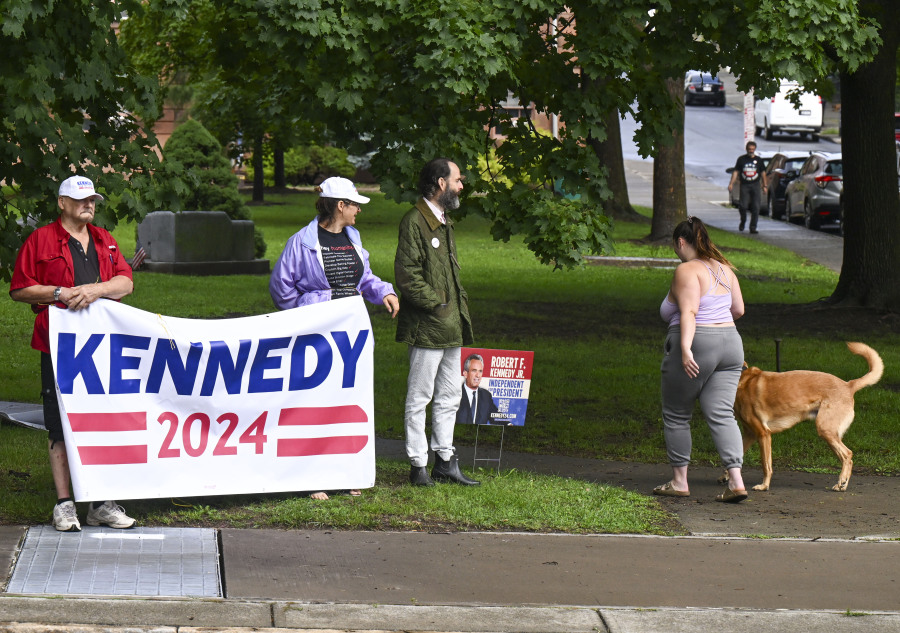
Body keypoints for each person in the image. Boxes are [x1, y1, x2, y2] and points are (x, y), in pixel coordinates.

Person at [9, 175, 137, 531]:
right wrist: (58, 293)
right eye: (80, 199)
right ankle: (65, 504)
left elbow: (126, 281)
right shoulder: (41, 240)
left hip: (102, 344)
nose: (89, 205)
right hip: (60, 345)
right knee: (59, 421)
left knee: (102, 420)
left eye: (92, 199)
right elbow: (19, 290)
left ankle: (99, 503)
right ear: (62, 203)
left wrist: (97, 290)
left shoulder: (105, 240)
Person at [270, 176, 399, 500]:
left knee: (350, 401)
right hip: (318, 335)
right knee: (316, 403)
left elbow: (364, 277)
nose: (358, 211)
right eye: (354, 204)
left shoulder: (352, 236)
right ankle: (314, 476)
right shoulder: (301, 242)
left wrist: (384, 291)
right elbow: (281, 288)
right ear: (340, 206)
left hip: (350, 332)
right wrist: (309, 312)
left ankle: (348, 471)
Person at [394, 158, 479, 487]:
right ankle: (418, 466)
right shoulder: (415, 221)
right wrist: (439, 305)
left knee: (449, 396)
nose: (461, 186)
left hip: (450, 325)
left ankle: (445, 461)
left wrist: (450, 310)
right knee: (419, 397)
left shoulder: (443, 221)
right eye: (457, 180)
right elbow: (407, 276)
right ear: (441, 183)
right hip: (429, 326)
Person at [655, 217, 748, 503]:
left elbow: (690, 312)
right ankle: (736, 481)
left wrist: (686, 348)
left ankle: (680, 481)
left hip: (698, 342)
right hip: (732, 344)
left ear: (681, 242)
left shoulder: (686, 270)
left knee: (676, 413)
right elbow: (739, 310)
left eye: (675, 245)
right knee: (721, 413)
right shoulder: (725, 269)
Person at [727, 141, 768, 234]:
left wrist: (765, 185)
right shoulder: (741, 160)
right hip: (745, 185)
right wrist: (731, 183)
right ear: (746, 149)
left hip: (755, 185)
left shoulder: (759, 160)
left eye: (753, 149)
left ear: (755, 149)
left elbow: (763, 173)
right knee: (743, 206)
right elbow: (736, 172)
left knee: (756, 207)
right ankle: (743, 221)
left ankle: (753, 227)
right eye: (749, 149)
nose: (751, 151)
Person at [456, 353, 501, 425]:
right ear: (465, 373)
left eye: (480, 371)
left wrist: (508, 424)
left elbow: (496, 416)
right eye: (474, 370)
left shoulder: (486, 395)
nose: (478, 375)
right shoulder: (455, 393)